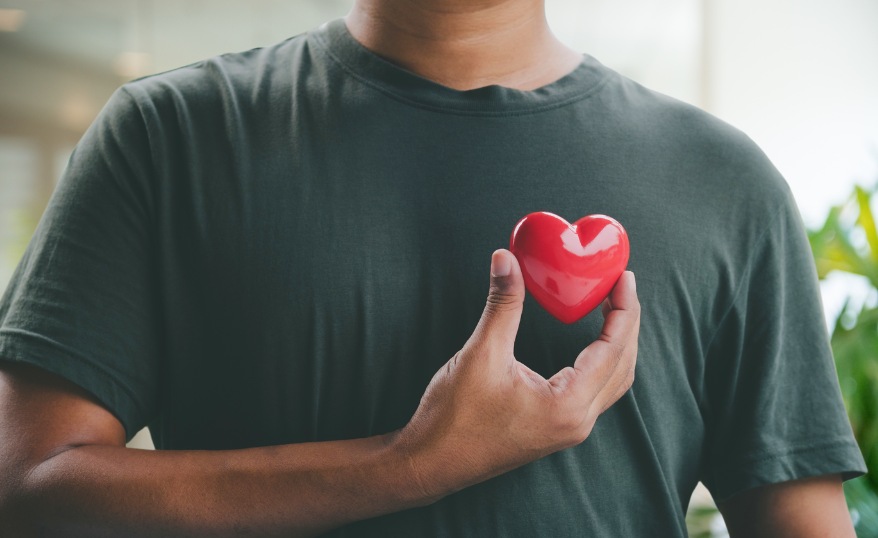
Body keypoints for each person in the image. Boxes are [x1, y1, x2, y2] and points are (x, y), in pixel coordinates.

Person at [0, 0, 866, 536]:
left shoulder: (723, 180)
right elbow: (25, 488)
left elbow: (799, 525)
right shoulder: (169, 138)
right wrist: (407, 464)